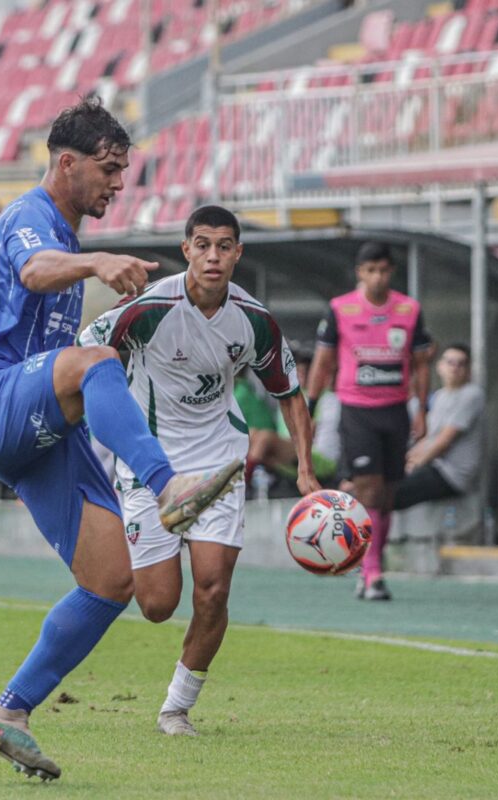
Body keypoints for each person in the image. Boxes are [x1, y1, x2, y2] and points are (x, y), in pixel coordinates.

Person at [0, 96, 243, 781]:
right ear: (67, 162)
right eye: (109, 169)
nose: (117, 183)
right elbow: (32, 271)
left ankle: (9, 713)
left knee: (113, 581)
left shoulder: (66, 237)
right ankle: (172, 490)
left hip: (38, 424)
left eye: (124, 171)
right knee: (95, 366)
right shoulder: (32, 218)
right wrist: (95, 263)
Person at [80, 205, 318, 737]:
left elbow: (291, 395)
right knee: (159, 605)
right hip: (149, 466)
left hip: (217, 465)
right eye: (203, 244)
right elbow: (84, 351)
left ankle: (176, 708)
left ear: (238, 253)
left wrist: (305, 470)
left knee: (212, 591)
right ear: (187, 249)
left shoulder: (255, 320)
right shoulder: (148, 308)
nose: (214, 256)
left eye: (224, 246)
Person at [306, 242, 432, 602]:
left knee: (389, 495)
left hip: (395, 410)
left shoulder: (409, 310)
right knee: (370, 489)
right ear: (360, 272)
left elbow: (421, 364)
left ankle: (370, 562)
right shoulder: (340, 309)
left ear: (390, 272)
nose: (377, 277)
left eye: (384, 270)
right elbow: (324, 361)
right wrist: (311, 407)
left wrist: (421, 408)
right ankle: (373, 572)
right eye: (370, 270)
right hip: (357, 409)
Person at [393, 343, 485, 511]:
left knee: (389, 494)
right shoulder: (440, 396)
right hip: (435, 466)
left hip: (452, 475)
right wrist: (402, 462)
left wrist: (415, 464)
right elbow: (429, 438)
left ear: (468, 369)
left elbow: (443, 442)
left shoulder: (471, 395)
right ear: (440, 366)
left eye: (461, 363)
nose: (455, 368)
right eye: (450, 362)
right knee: (382, 488)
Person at [249, 344, 341, 489]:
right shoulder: (289, 397)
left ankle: (243, 486)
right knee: (251, 435)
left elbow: (316, 436)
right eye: (297, 372)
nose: (299, 376)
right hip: (291, 454)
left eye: (305, 372)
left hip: (320, 459)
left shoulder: (328, 399)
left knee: (265, 438)